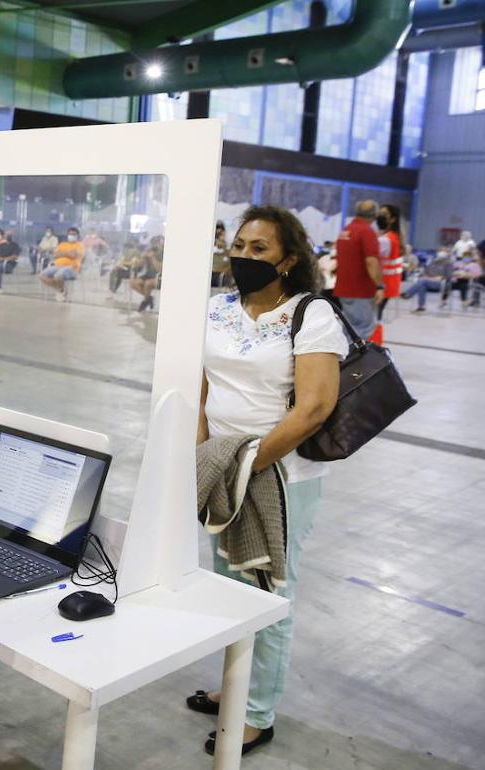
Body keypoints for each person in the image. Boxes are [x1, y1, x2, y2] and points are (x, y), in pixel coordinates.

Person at [191, 205, 346, 757]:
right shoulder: (217, 308)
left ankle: (257, 713)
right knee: (228, 583)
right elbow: (201, 387)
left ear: (289, 259)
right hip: (223, 466)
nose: (244, 257)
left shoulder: (311, 315)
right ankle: (234, 687)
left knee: (269, 589)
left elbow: (314, 408)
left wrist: (247, 463)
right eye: (240, 245)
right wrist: (206, 453)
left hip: (280, 476)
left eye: (260, 249)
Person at [332, 200, 384, 340]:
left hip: (344, 288)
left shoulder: (346, 230)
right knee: (362, 330)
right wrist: (379, 285)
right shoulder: (367, 232)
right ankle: (351, 360)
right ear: (374, 215)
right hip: (361, 291)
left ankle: (342, 359)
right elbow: (371, 262)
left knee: (348, 328)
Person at [39, 227, 84, 302]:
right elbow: (55, 255)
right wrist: (67, 253)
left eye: (73, 234)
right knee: (42, 276)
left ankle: (60, 290)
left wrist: (62, 253)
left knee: (58, 275)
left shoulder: (80, 245)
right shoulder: (62, 244)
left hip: (72, 268)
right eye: (70, 234)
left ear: (77, 236)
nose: (71, 236)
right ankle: (61, 289)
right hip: (57, 265)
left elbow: (73, 255)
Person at [402, 248, 453, 312]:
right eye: (440, 251)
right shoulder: (433, 261)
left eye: (444, 251)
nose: (441, 253)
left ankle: (408, 294)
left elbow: (448, 276)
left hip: (440, 284)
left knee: (422, 282)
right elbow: (425, 272)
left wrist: (437, 278)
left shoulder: (448, 263)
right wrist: (425, 276)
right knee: (421, 284)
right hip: (427, 281)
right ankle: (421, 306)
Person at [376, 204, 403, 321]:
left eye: (384, 214)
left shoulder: (386, 239)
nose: (380, 216)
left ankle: (374, 339)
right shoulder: (394, 237)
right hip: (388, 284)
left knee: (374, 318)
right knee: (376, 317)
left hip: (382, 284)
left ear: (393, 219)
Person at [129, 246, 162, 312]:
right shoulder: (147, 256)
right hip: (148, 275)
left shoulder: (160, 256)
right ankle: (149, 298)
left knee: (147, 283)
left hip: (158, 277)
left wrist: (153, 257)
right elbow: (138, 266)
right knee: (133, 283)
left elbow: (159, 269)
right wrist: (142, 257)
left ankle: (145, 301)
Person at [210, 221, 230, 288]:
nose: (219, 231)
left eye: (221, 229)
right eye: (217, 228)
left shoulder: (227, 249)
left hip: (222, 278)